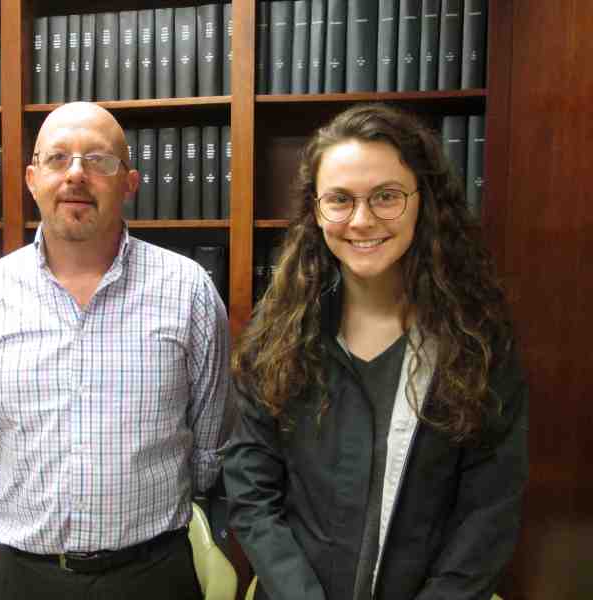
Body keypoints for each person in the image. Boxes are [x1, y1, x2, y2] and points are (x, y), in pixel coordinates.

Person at [224, 104, 528, 600]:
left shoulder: (477, 341)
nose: (362, 221)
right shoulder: (277, 335)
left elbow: (489, 510)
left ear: (422, 201)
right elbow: (251, 491)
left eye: (386, 197)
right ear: (316, 211)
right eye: (339, 200)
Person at [0, 102, 232, 600]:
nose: (76, 174)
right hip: (21, 577)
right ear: (33, 178)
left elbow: (208, 446)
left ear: (130, 182)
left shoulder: (189, 291)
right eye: (58, 159)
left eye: (98, 160)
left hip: (151, 575)